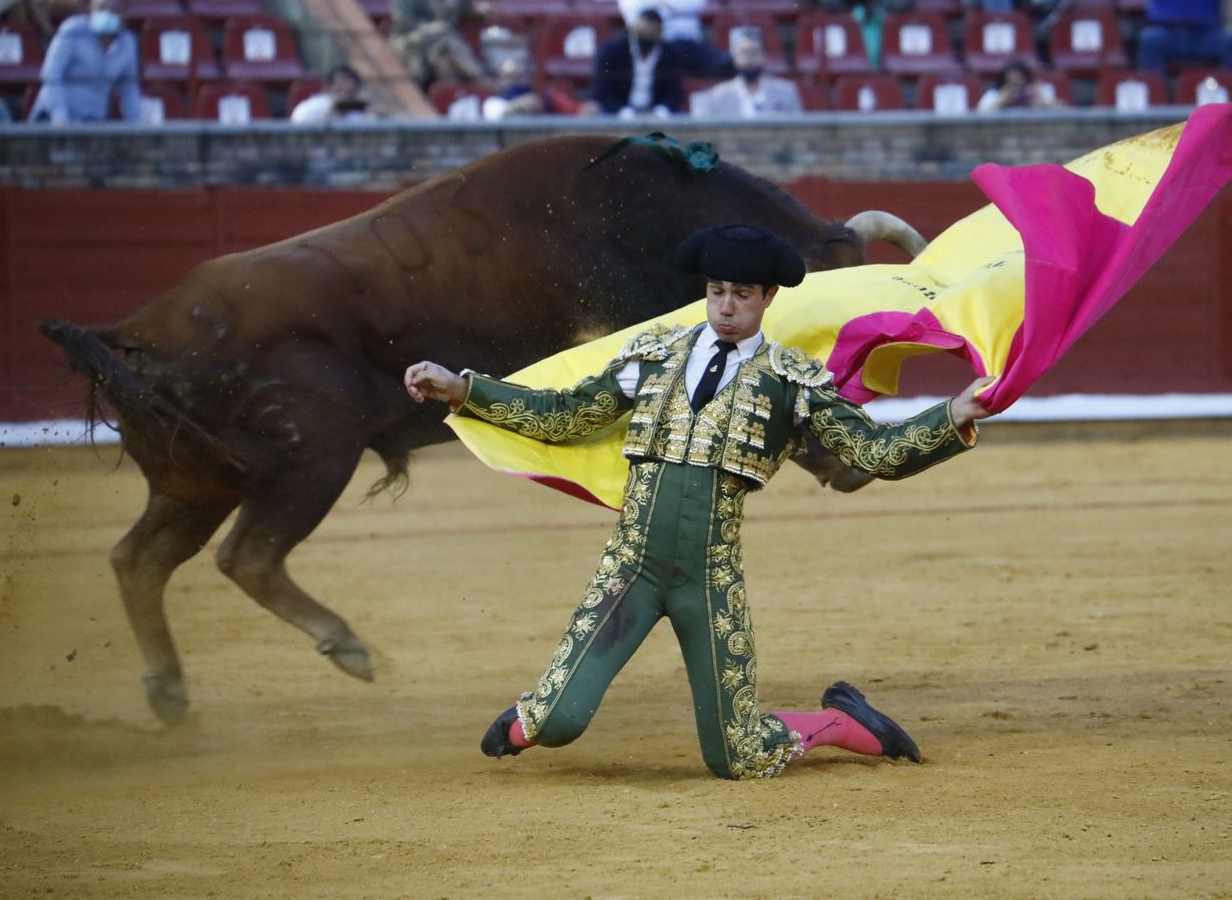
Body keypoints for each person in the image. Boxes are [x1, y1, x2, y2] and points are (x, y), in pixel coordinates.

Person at [402, 224, 992, 780]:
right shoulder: (655, 355)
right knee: (555, 722)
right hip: (630, 570)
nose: (727, 306)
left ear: (767, 297)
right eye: (716, 292)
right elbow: (565, 415)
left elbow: (873, 452)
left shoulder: (794, 380)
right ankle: (539, 718)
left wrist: (953, 414)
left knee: (738, 757)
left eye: (741, 294)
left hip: (708, 580)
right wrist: (465, 389)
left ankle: (841, 723)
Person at [29, 0, 142, 123]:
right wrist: (59, 117)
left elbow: (129, 89)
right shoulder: (72, 30)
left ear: (124, 16)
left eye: (114, 10)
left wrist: (136, 123)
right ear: (91, 11)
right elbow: (51, 73)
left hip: (93, 120)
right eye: (102, 8)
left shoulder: (127, 43)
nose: (107, 14)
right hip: (53, 117)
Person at [590, 7, 686, 117]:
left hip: (655, 115)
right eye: (643, 31)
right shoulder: (612, 51)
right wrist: (624, 112)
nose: (647, 35)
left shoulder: (669, 53)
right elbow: (602, 91)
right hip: (617, 113)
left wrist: (660, 111)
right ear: (633, 28)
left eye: (652, 32)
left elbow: (674, 92)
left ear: (660, 33)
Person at [689, 29, 802, 117]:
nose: (749, 58)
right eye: (744, 53)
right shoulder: (716, 97)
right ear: (735, 58)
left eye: (754, 52)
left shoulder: (786, 92)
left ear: (763, 56)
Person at [290, 65, 376, 123]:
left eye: (349, 91)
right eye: (339, 90)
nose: (344, 96)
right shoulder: (312, 106)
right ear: (328, 87)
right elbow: (299, 121)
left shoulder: (357, 114)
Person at [482, 43, 547, 118]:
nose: (513, 84)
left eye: (518, 77)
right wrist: (517, 105)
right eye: (508, 78)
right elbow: (496, 115)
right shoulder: (492, 102)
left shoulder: (540, 97)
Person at [977, 60, 1060, 111]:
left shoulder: (1040, 92)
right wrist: (1000, 102)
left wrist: (1044, 102)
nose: (1016, 85)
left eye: (1019, 80)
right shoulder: (993, 95)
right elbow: (976, 120)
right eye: (1011, 81)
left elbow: (1067, 113)